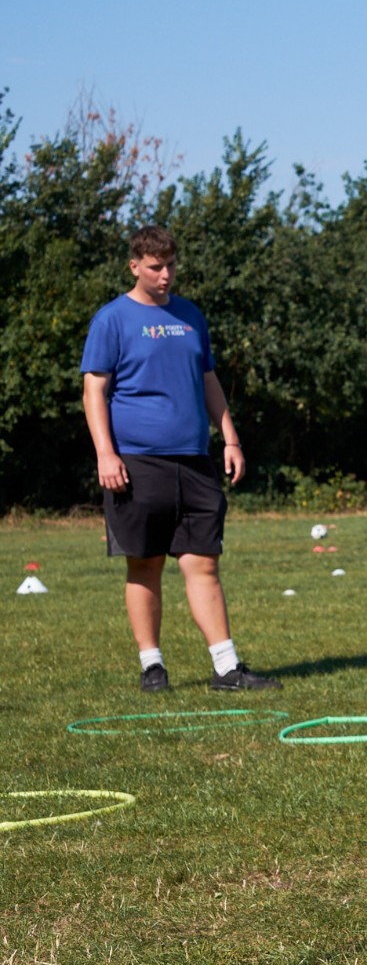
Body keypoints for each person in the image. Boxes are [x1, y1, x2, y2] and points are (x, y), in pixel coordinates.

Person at [80, 226, 279, 693]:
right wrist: (105, 454)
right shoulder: (112, 319)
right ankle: (153, 667)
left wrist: (229, 437)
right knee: (146, 564)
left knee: (203, 563)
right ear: (134, 266)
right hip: (136, 461)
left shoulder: (191, 316)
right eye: (155, 267)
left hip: (194, 460)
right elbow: (94, 390)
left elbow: (207, 378)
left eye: (170, 265)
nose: (165, 274)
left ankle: (226, 669)